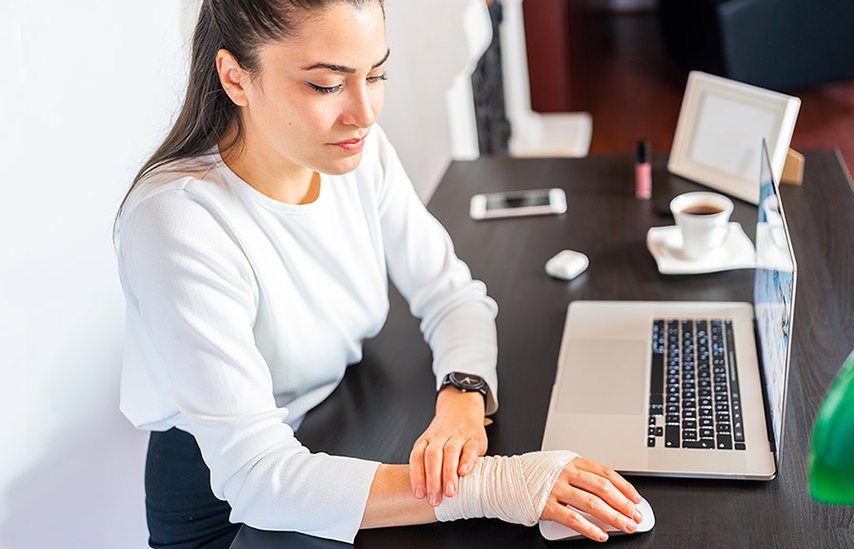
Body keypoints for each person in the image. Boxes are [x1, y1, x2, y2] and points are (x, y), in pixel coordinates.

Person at [115, 1, 644, 547]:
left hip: (337, 424)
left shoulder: (355, 154)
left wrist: (462, 398)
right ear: (235, 78)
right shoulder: (178, 219)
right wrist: (497, 485)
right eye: (326, 85)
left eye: (376, 74)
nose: (364, 113)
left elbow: (452, 295)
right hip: (227, 507)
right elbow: (257, 477)